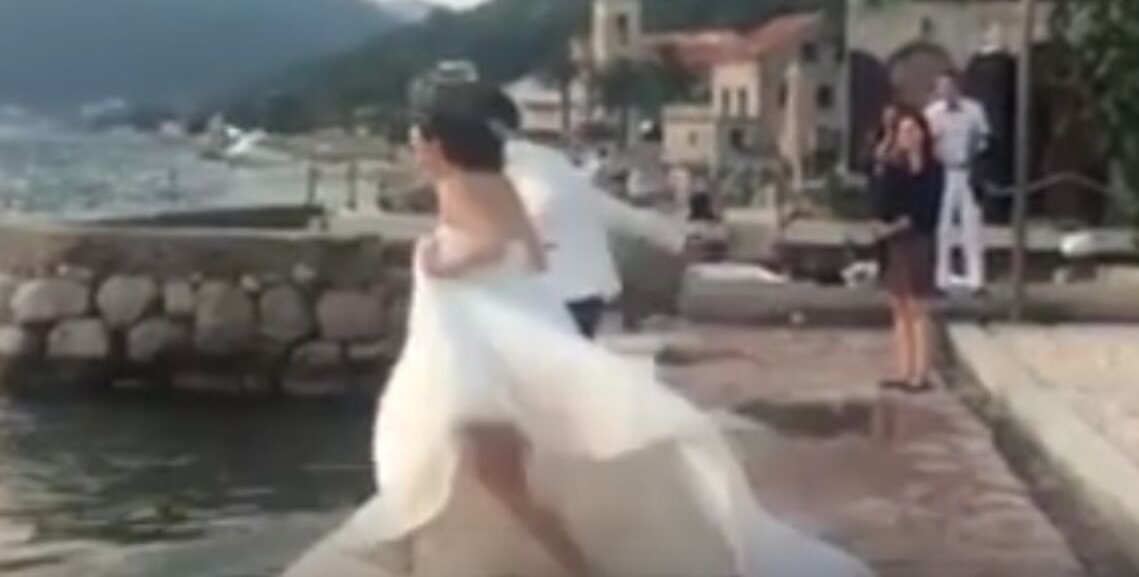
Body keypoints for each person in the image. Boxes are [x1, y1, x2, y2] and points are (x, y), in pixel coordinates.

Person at [283, 94, 874, 577]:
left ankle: (570, 564)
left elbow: (496, 244)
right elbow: (534, 254)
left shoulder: (462, 185)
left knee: (484, 474)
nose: (413, 151)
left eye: (417, 141)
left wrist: (438, 261)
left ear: (440, 145)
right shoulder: (493, 179)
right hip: (481, 351)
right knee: (492, 472)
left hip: (470, 363)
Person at [469, 85, 685, 339]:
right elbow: (605, 208)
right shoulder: (547, 162)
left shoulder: (513, 165)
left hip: (559, 292)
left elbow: (541, 209)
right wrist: (673, 238)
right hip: (578, 290)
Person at [873, 107, 943, 393]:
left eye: (913, 130)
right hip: (895, 241)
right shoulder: (892, 168)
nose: (909, 136)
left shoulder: (933, 169)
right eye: (903, 132)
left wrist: (904, 222)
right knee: (899, 306)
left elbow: (928, 209)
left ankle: (921, 372)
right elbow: (882, 203)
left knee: (918, 307)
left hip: (919, 239)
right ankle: (904, 369)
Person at [924, 71, 990, 294]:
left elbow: (984, 140)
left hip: (968, 171)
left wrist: (977, 160)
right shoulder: (932, 113)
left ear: (957, 87)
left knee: (972, 225)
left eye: (949, 87)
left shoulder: (974, 110)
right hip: (943, 172)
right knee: (943, 227)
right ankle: (941, 279)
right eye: (941, 88)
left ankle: (976, 280)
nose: (946, 92)